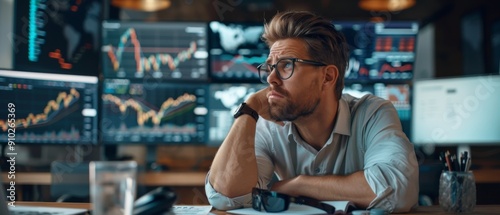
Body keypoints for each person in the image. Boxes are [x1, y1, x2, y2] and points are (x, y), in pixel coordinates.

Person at [205, 10, 419, 213]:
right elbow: (226, 197)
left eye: (286, 65)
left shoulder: (372, 114)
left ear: (327, 77)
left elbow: (399, 190)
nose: (271, 78)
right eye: (270, 67)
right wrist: (248, 110)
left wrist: (297, 185)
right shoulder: (267, 126)